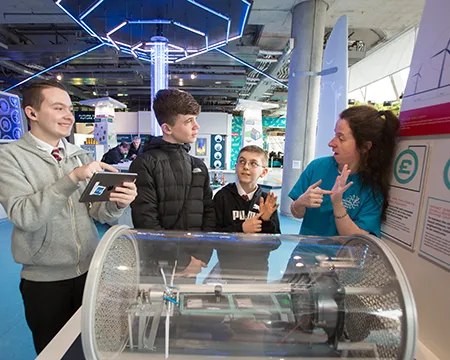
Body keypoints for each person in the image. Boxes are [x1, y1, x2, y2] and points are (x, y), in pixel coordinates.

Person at [0, 80, 137, 354]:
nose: (68, 116)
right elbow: (24, 216)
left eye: (70, 109)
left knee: (93, 348)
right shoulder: (9, 157)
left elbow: (97, 211)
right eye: (58, 107)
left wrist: (119, 203)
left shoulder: (78, 155)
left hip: (91, 273)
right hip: (45, 282)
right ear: (31, 112)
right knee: (55, 351)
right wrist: (71, 178)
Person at [130, 88, 215, 277]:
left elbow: (210, 212)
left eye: (195, 119)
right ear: (167, 128)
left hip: (193, 264)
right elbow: (146, 221)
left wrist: (201, 256)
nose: (196, 126)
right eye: (188, 121)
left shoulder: (198, 165)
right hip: (157, 265)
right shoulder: (145, 164)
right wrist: (183, 261)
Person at [289, 105, 400, 237]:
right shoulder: (317, 166)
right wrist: (301, 202)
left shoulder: (372, 187)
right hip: (305, 253)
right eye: (334, 135)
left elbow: (358, 239)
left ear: (365, 147)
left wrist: (338, 204)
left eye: (341, 138)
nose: (331, 143)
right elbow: (296, 212)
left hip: (341, 257)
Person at [213, 145, 281, 280]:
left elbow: (275, 243)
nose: (246, 167)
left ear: (264, 172)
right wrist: (241, 229)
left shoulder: (267, 201)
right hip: (228, 270)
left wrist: (266, 221)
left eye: (253, 163)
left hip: (258, 271)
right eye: (242, 161)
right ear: (236, 165)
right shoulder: (222, 197)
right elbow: (213, 237)